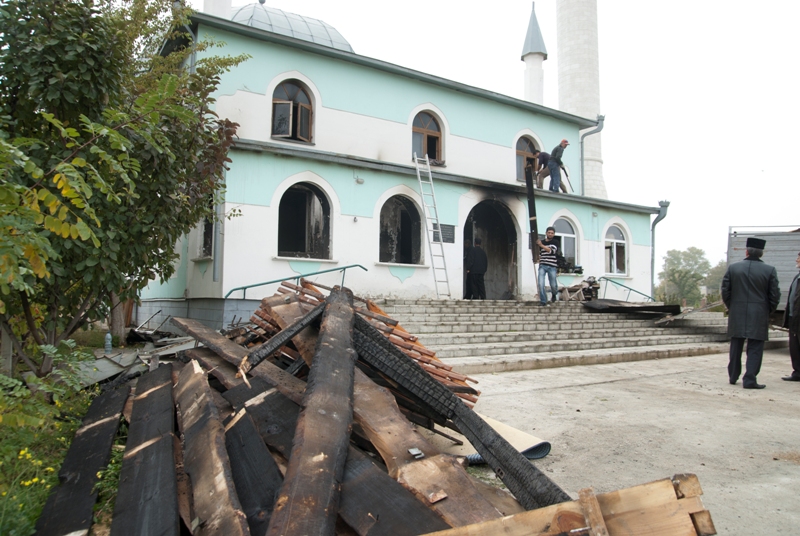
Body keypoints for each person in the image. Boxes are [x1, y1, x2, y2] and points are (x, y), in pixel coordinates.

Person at [721, 237, 781, 389]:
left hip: (737, 312)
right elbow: (774, 295)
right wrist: (768, 310)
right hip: (759, 313)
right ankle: (750, 379)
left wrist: (732, 306)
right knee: (755, 348)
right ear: (761, 253)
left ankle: (733, 376)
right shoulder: (769, 270)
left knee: (736, 345)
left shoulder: (733, 268)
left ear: (746, 251)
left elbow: (725, 291)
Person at [781, 251, 800, 382]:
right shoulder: (797, 277)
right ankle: (797, 373)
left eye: (799, 258)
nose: (796, 260)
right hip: (794, 318)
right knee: (794, 347)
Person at [536, 227, 559, 306]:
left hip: (552, 266)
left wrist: (541, 245)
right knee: (540, 283)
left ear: (554, 234)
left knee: (553, 285)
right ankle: (543, 301)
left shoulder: (555, 242)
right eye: (549, 233)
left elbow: (551, 251)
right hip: (542, 265)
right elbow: (539, 253)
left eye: (552, 233)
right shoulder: (542, 242)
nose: (550, 234)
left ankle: (554, 294)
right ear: (546, 233)